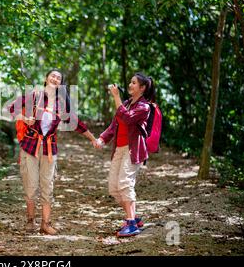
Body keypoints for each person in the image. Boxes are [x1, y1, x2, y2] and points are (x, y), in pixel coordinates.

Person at [9, 69, 100, 235]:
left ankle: (46, 223)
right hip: (30, 147)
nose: (55, 79)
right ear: (46, 78)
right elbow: (12, 108)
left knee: (47, 187)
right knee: (31, 187)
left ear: (60, 84)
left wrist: (92, 138)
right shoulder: (34, 95)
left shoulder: (61, 103)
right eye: (53, 76)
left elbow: (76, 123)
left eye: (59, 78)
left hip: (49, 149)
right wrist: (24, 118)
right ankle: (30, 220)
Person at [97, 72, 155, 237]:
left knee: (125, 183)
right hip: (119, 149)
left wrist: (116, 98)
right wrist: (102, 139)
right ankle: (135, 218)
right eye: (130, 82)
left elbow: (127, 119)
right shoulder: (127, 103)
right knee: (114, 188)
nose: (130, 85)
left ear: (142, 88)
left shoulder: (144, 107)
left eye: (134, 83)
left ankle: (130, 223)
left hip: (133, 149)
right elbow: (114, 125)